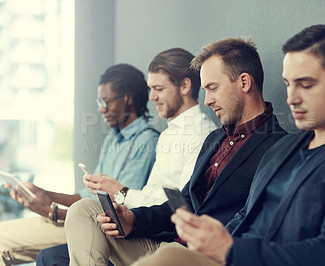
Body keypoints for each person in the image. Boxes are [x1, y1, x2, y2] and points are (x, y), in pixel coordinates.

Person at [133, 24, 325, 266]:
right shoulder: (288, 147)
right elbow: (245, 215)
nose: (292, 98)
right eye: (288, 84)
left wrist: (230, 250)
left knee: (166, 258)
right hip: (230, 256)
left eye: (305, 85)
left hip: (243, 257)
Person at [64, 37, 287, 266]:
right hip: (172, 243)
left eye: (212, 88)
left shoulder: (279, 148)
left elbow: (260, 222)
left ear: (244, 82)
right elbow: (185, 202)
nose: (207, 101)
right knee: (84, 212)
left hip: (208, 255)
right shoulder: (215, 139)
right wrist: (134, 219)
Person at [35, 48, 217, 265]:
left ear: (185, 86)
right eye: (151, 89)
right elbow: (154, 193)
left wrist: (121, 192)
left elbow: (181, 206)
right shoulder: (170, 133)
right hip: (144, 224)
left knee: (80, 219)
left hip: (163, 235)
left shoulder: (201, 136)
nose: (152, 97)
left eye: (158, 89)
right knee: (81, 211)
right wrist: (120, 195)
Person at [0, 64, 160, 266]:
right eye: (99, 101)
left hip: (97, 227)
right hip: (81, 217)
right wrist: (45, 195)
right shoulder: (114, 138)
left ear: (127, 98)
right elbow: (88, 197)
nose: (101, 108)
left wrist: (52, 211)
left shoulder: (147, 142)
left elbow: (117, 210)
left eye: (106, 101)